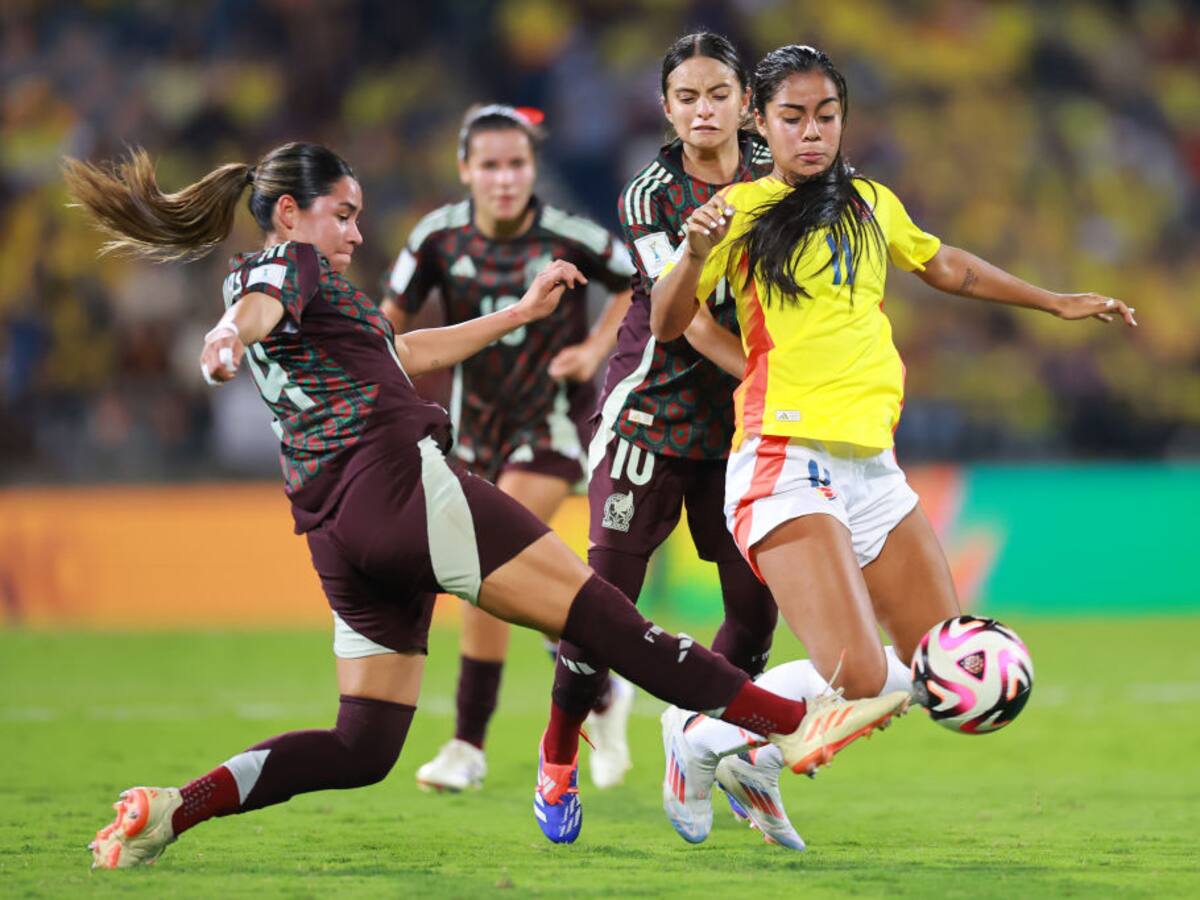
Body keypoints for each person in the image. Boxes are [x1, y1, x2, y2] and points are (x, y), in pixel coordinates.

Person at [65, 141, 909, 868]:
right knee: (608, 622)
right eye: (343, 215)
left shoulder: (304, 295)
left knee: (362, 745)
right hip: (401, 485)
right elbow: (258, 308)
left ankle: (177, 807)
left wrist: (519, 314)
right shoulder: (290, 265)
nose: (354, 234)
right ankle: (790, 721)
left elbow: (401, 350)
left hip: (338, 530)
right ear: (290, 212)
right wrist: (222, 337)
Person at [649, 44, 1137, 847]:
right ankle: (697, 733)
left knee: (934, 669)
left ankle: (755, 759)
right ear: (759, 122)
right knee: (862, 676)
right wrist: (696, 251)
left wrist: (1052, 301)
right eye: (793, 117)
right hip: (784, 457)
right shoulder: (738, 212)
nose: (813, 132)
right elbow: (670, 322)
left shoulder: (872, 202)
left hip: (873, 468)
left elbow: (946, 267)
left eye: (827, 115)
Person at [538, 32, 794, 845]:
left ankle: (706, 746)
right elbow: (679, 322)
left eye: (718, 94)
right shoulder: (652, 195)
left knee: (754, 613)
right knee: (602, 612)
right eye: (687, 97)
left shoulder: (781, 172)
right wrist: (768, 376)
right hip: (648, 417)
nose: (703, 110)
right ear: (666, 108)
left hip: (737, 431)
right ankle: (557, 755)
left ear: (746, 103)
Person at [379, 104, 635, 795]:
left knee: (481, 562)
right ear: (465, 170)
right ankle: (602, 688)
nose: (504, 178)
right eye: (489, 165)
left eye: (516, 163)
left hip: (552, 428)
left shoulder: (569, 235)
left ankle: (467, 745)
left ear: (533, 167)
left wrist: (595, 348)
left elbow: (635, 282)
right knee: (512, 583)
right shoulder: (436, 237)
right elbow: (386, 325)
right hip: (470, 434)